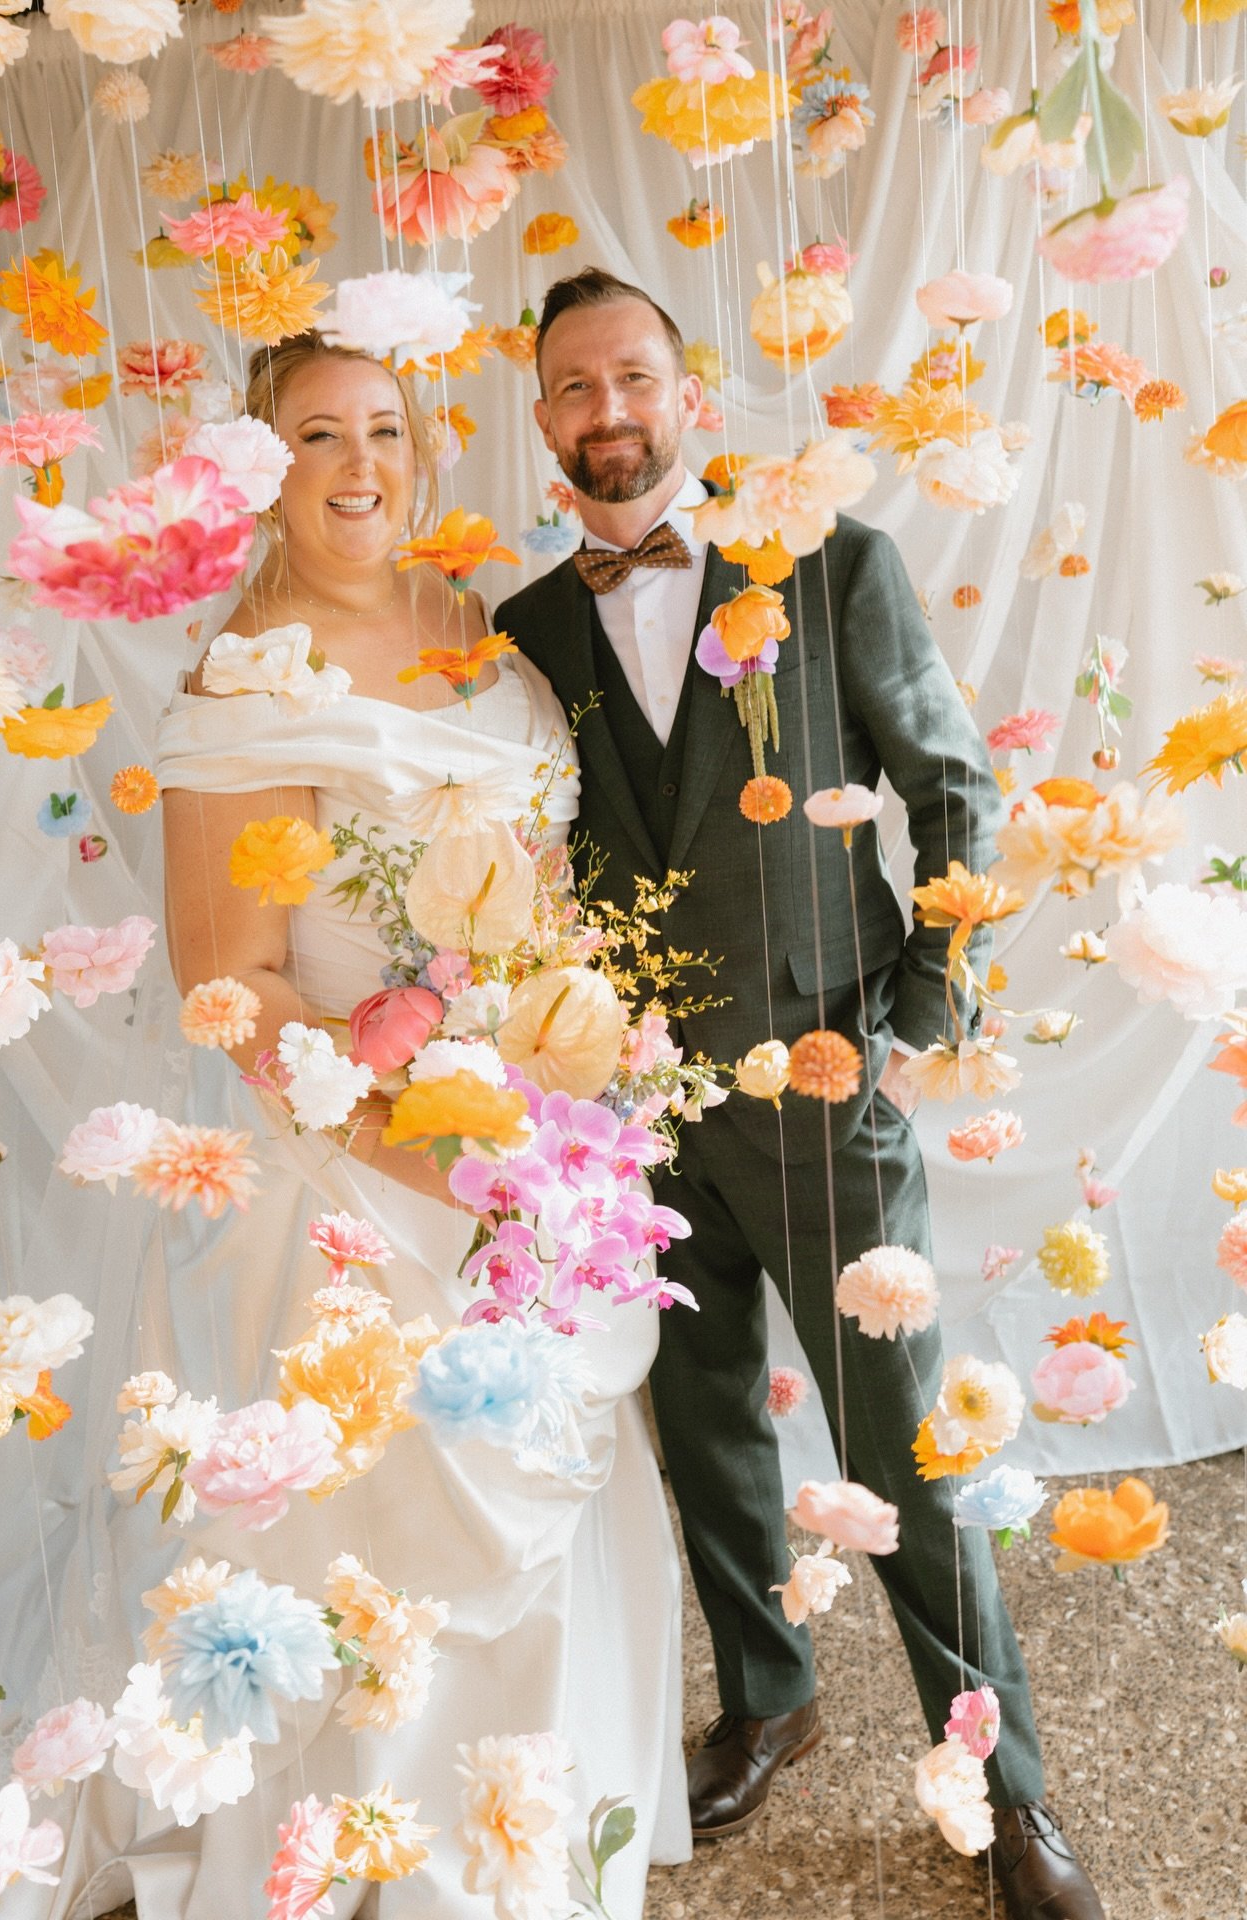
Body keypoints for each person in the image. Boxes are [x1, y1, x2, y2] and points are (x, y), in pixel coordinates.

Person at [496, 267, 1105, 1920]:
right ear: (540, 415)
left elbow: (953, 791)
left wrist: (920, 1011)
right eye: (572, 388)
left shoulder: (829, 563)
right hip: (628, 1114)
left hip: (829, 1080)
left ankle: (1007, 1790)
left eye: (633, 379)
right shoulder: (526, 634)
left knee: (902, 1459)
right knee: (700, 1434)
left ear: (687, 393)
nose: (607, 414)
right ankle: (769, 1698)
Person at [135, 330, 690, 1917]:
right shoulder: (244, 682)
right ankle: (390, 1867)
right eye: (317, 435)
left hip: (538, 1147)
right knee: (395, 1536)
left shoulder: (492, 639)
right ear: (264, 466)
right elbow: (229, 987)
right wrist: (442, 1154)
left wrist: (568, 1081)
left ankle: (549, 1836)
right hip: (364, 1183)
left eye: (385, 428)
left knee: (558, 1487)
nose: (361, 464)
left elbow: (558, 904)